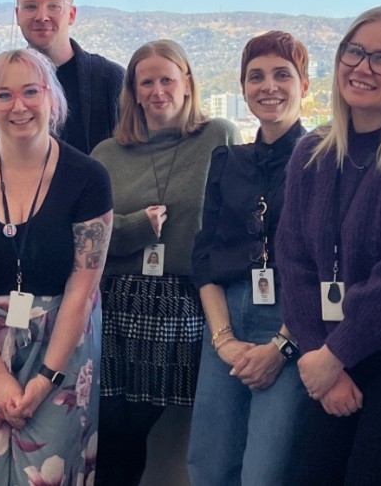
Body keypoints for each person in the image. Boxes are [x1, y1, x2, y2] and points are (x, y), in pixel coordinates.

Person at [276, 6, 381, 485]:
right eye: (355, 52)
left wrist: (332, 357)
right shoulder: (312, 152)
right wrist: (317, 355)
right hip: (330, 355)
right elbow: (294, 262)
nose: (363, 67)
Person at [0, 48, 113, 484]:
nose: (19, 106)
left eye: (31, 92)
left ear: (51, 96)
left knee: (51, 473)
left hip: (61, 342)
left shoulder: (88, 177)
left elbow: (82, 289)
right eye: (5, 95)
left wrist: (46, 378)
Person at [91, 39, 240, 485]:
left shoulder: (218, 136)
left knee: (127, 429)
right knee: (109, 428)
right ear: (133, 92)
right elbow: (87, 235)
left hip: (183, 301)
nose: (158, 91)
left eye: (167, 79)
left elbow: (231, 223)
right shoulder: (107, 153)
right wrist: (138, 226)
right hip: (115, 300)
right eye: (147, 82)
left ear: (187, 83)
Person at [186, 31, 310, 485]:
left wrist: (281, 347)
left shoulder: (323, 160)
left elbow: (326, 266)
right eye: (256, 76)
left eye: (282, 75)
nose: (268, 86)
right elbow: (205, 256)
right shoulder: (227, 160)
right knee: (209, 465)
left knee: (266, 471)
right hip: (227, 320)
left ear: (304, 85)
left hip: (293, 323)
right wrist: (223, 340)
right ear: (243, 88)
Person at [15, 0, 125, 154]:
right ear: (17, 15)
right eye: (30, 6)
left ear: (72, 14)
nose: (42, 16)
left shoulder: (110, 80)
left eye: (54, 6)